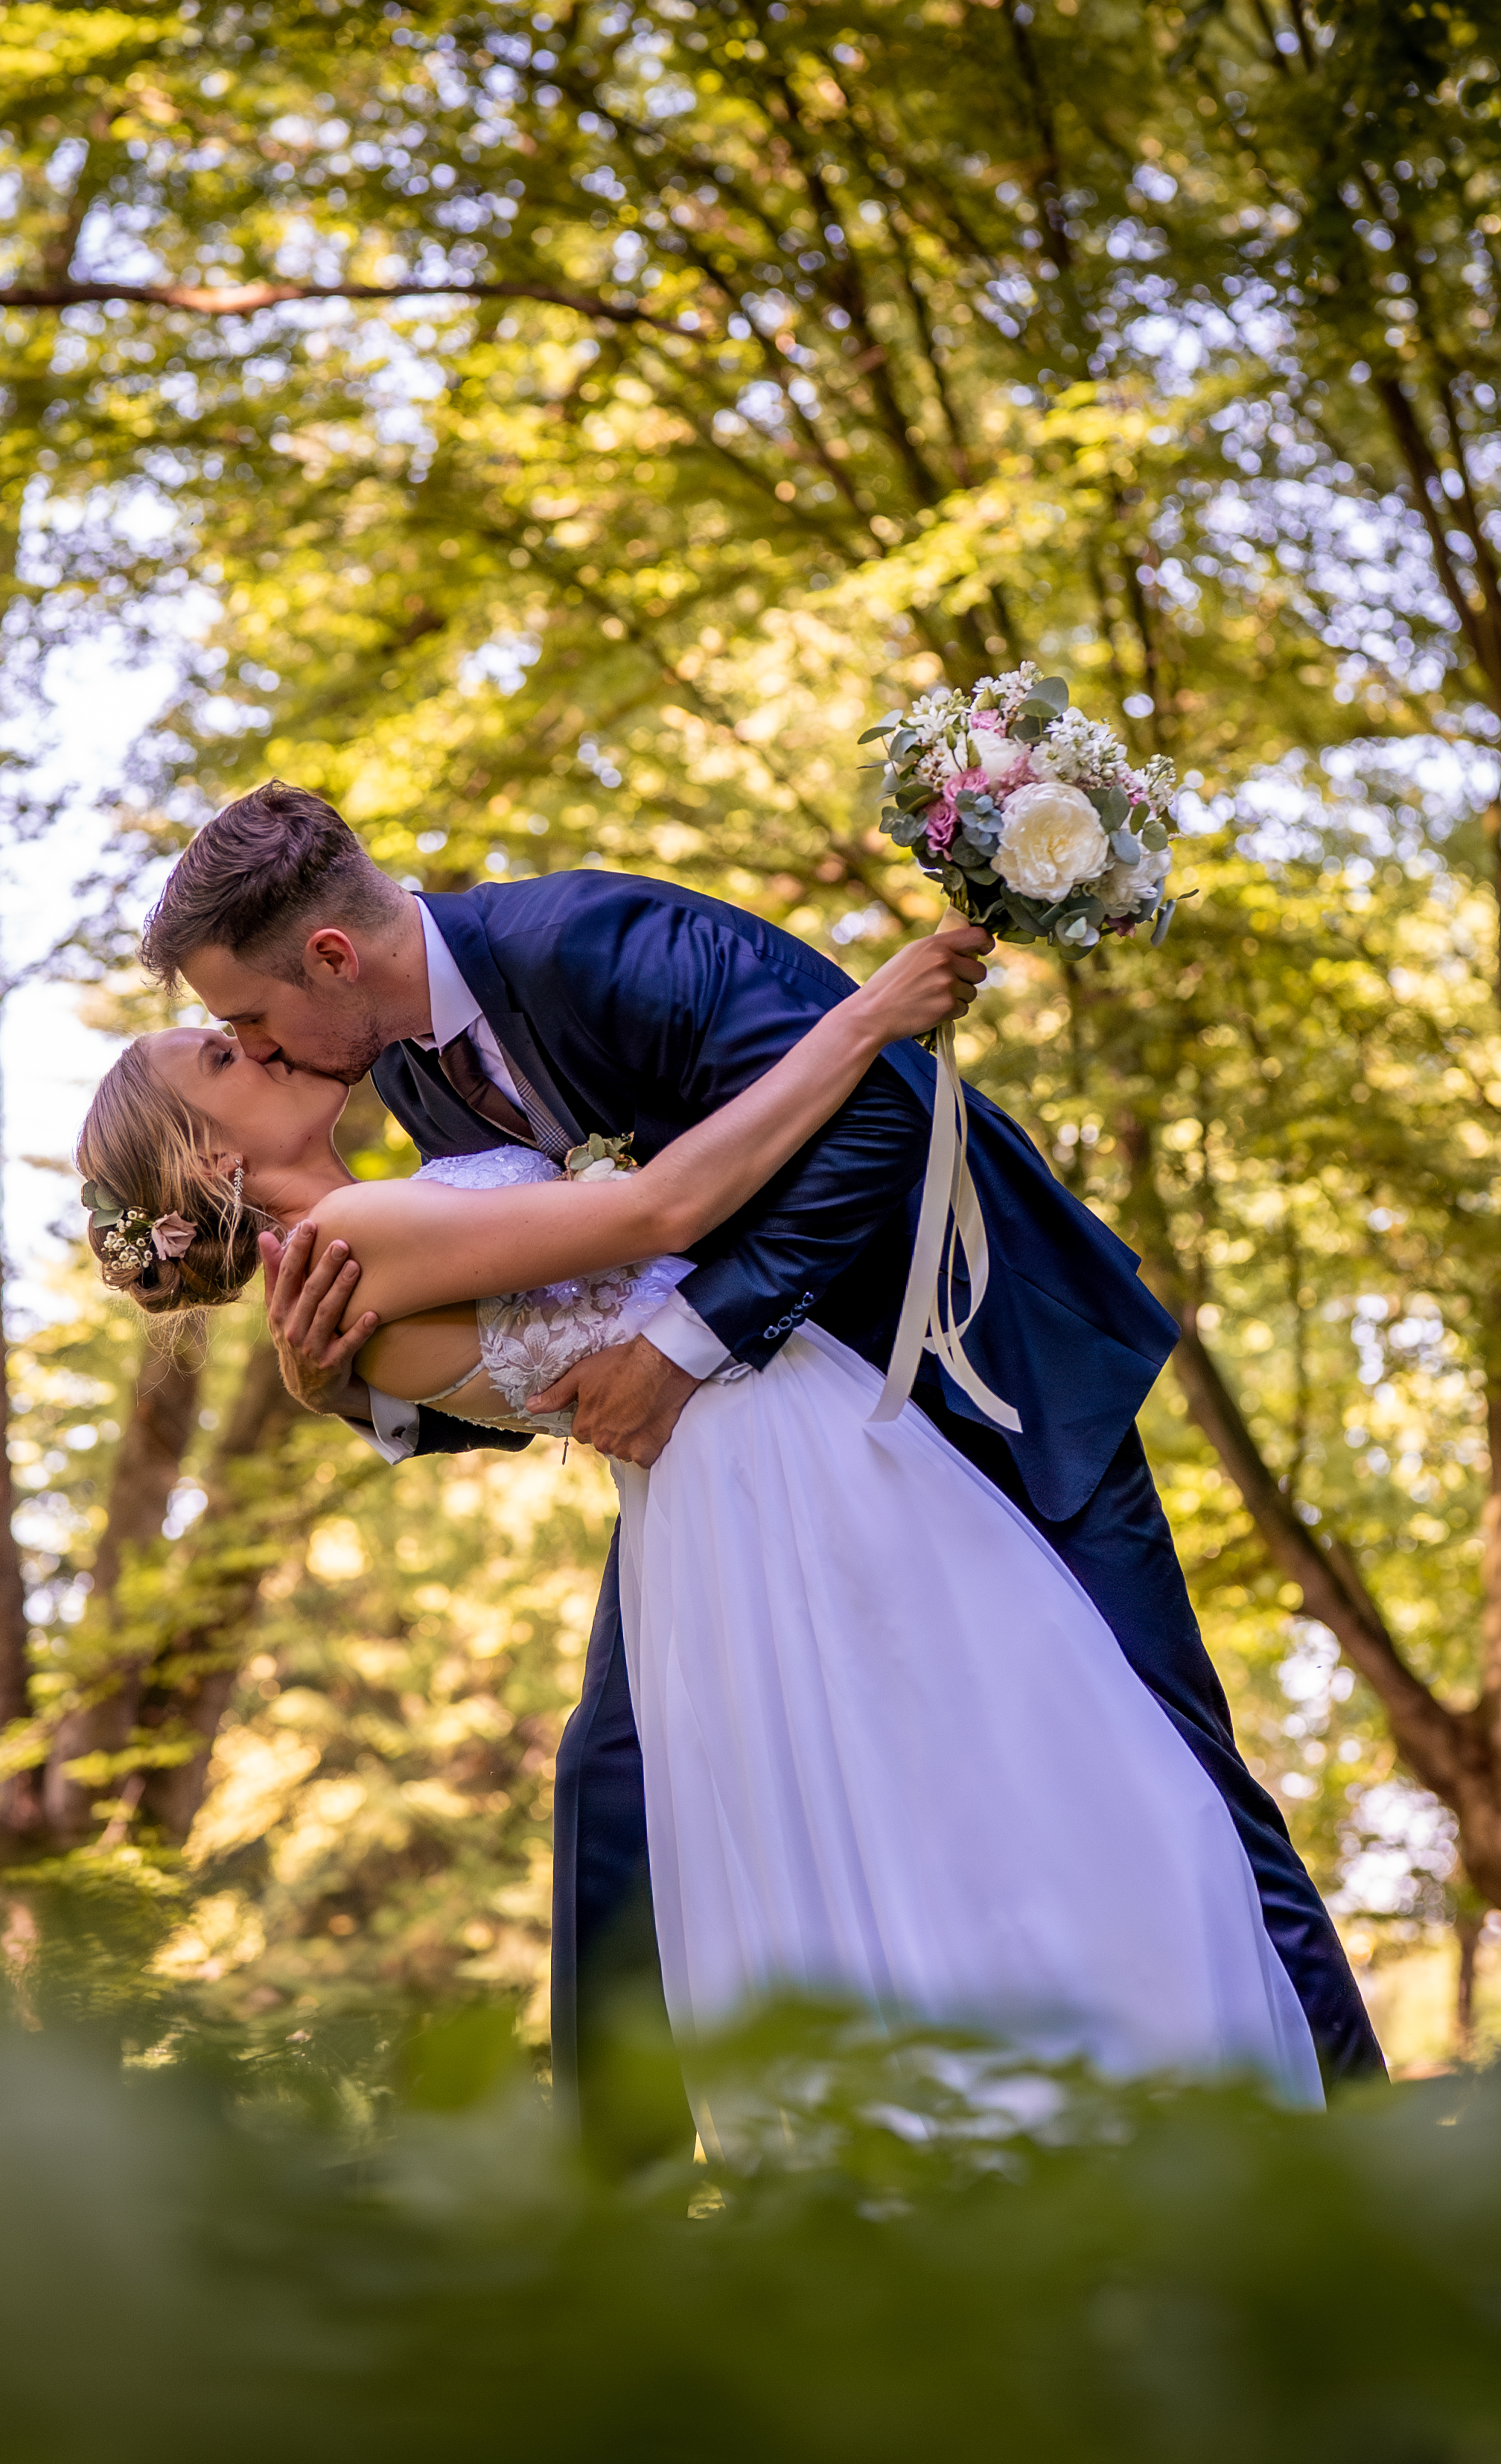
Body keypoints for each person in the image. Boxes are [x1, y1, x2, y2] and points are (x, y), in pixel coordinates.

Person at [83, 781, 1386, 2110]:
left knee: (1162, 1752)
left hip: (955, 1351)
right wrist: (353, 1390)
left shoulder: (592, 944)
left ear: (331, 957)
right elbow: (541, 1327)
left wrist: (681, 1343)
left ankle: (1362, 2135)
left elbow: (884, 1114)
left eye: (244, 1022)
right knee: (623, 1778)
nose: (256, 1045)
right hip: (742, 1447)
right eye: (231, 1045)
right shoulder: (401, 1082)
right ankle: (646, 2199)